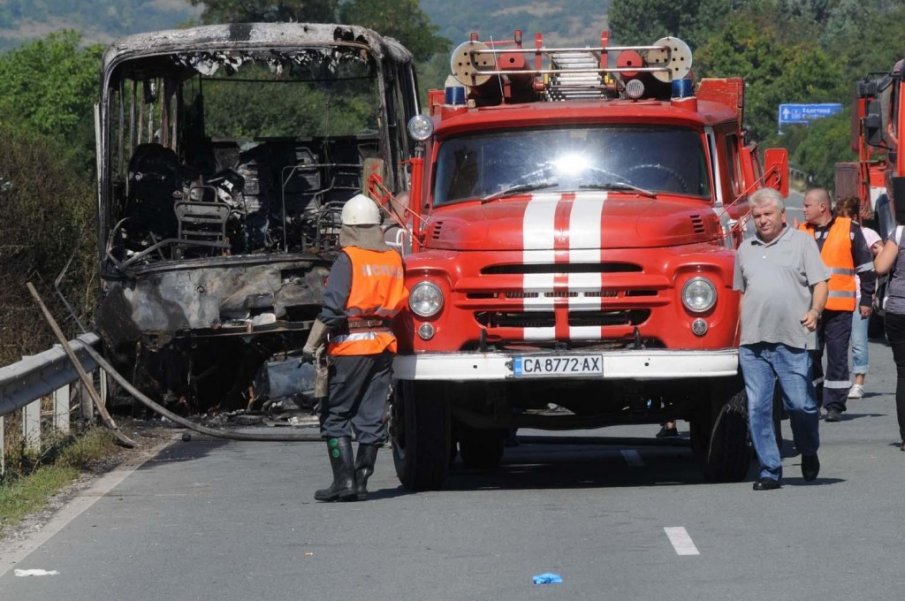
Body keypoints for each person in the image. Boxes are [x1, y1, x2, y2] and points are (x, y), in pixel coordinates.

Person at [303, 193, 409, 502]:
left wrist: (310, 345)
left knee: (334, 415)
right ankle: (361, 482)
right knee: (371, 414)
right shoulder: (393, 258)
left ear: (348, 227)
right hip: (384, 344)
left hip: (351, 346)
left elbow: (333, 309)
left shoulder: (348, 258)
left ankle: (344, 482)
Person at [734, 187, 829, 490]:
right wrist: (742, 329)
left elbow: (821, 284)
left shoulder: (802, 242)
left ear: (782, 215)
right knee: (758, 408)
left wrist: (815, 311)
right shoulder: (745, 249)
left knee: (800, 405)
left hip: (793, 338)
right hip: (754, 343)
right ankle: (770, 470)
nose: (762, 220)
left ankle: (808, 448)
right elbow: (742, 293)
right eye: (757, 215)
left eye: (768, 214)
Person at [799, 188, 877, 421]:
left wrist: (866, 298)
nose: (803, 210)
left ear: (822, 207)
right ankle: (814, 398)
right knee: (810, 355)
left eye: (807, 205)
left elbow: (866, 267)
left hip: (839, 307)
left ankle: (834, 404)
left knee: (837, 355)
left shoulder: (849, 229)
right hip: (809, 309)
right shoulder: (800, 232)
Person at [833, 196, 883, 399]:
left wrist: (875, 273)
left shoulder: (867, 233)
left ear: (854, 217)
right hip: (839, 294)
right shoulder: (835, 233)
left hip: (860, 294)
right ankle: (841, 381)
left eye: (846, 217)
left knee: (858, 341)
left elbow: (882, 252)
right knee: (838, 343)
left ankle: (859, 382)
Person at [873, 218, 905, 452]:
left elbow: (880, 267)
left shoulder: (900, 233)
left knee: (903, 372)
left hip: (899, 310)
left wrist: (881, 251)